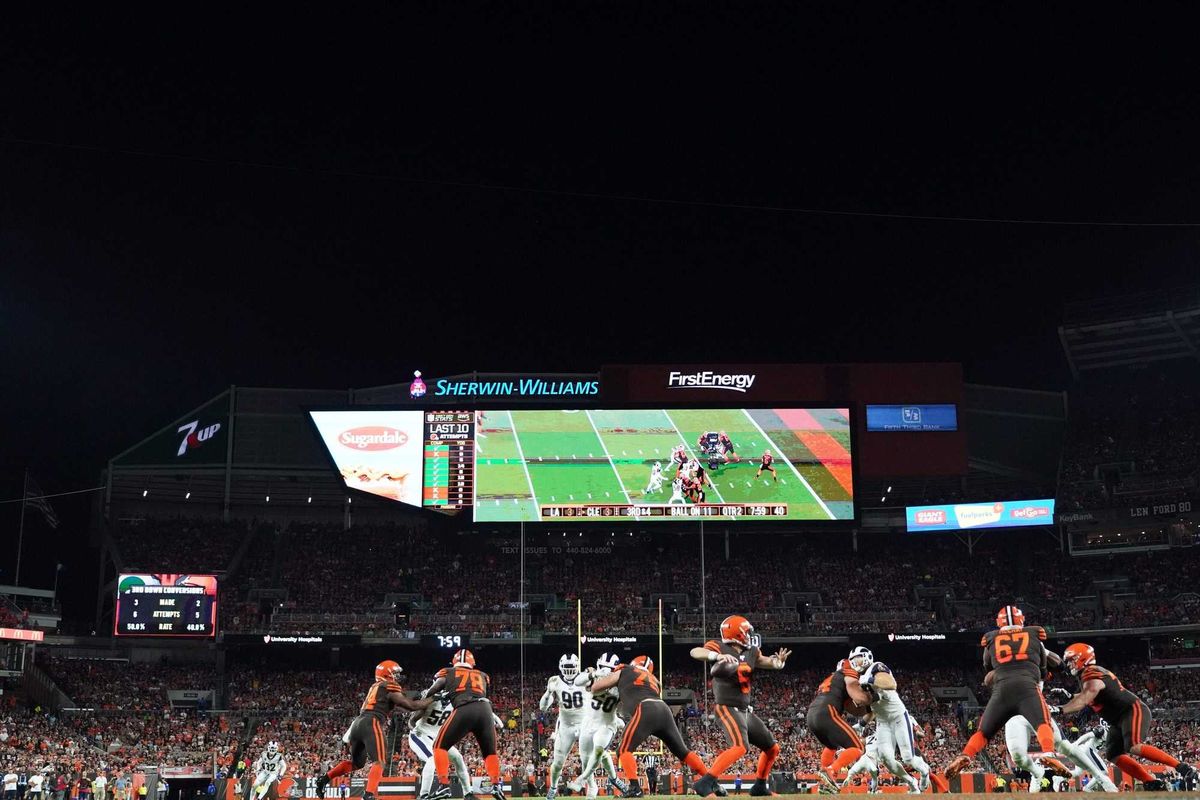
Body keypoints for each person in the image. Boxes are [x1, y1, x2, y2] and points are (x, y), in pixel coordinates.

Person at [1054, 642, 1197, 791]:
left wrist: (1059, 709)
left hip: (1131, 710)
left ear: (1082, 658)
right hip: (1117, 719)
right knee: (1113, 754)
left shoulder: (1092, 673)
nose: (1069, 664)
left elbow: (1084, 700)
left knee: (1133, 746)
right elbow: (1090, 695)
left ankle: (1183, 768)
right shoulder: (1088, 675)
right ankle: (1152, 782)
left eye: (1071, 660)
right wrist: (1070, 695)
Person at [946, 606, 1058, 778]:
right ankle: (1049, 753)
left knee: (983, 732)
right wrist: (1042, 672)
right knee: (1043, 723)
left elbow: (987, 668)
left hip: (1002, 688)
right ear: (1022, 619)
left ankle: (966, 754)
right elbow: (1044, 668)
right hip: (1027, 687)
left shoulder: (990, 638)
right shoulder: (1035, 634)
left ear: (999, 622)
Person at [576, 655, 710, 798]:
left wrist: (601, 680)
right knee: (683, 751)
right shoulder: (655, 680)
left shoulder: (625, 670)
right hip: (664, 710)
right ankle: (712, 780)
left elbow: (596, 688)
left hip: (646, 708)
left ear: (633, 663)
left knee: (623, 750)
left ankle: (635, 788)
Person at [688, 616, 789, 797]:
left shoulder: (751, 651)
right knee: (740, 747)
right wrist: (716, 656)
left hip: (745, 710)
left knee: (772, 748)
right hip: (727, 706)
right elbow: (695, 652)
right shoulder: (719, 646)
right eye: (747, 631)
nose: (750, 635)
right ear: (738, 633)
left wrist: (778, 662)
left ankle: (759, 786)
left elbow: (767, 662)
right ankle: (705, 783)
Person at [318, 660, 432, 800]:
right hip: (371, 722)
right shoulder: (389, 686)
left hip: (357, 723)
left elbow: (399, 704)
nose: (397, 676)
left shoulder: (376, 686)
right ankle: (369, 795)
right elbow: (411, 706)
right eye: (395, 673)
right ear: (387, 674)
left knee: (356, 763)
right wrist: (431, 700)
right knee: (380, 762)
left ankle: (324, 779)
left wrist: (418, 698)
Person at [422, 649, 507, 800]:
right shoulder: (482, 675)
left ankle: (443, 786)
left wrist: (433, 697)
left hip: (464, 708)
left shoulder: (447, 672)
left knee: (439, 747)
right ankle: (496, 786)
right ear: (472, 662)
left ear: (454, 662)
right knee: (490, 752)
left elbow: (433, 689)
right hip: (485, 710)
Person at [806, 646, 873, 790]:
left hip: (812, 714)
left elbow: (853, 709)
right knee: (857, 746)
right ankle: (831, 770)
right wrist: (872, 698)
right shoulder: (848, 671)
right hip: (827, 711)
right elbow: (858, 697)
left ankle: (824, 781)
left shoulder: (833, 680)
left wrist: (867, 709)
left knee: (831, 746)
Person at [567, 653, 628, 797]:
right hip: (589, 722)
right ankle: (607, 781)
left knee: (599, 751)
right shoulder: (593, 674)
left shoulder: (620, 684)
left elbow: (625, 705)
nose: (606, 671)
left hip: (607, 724)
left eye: (609, 669)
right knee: (588, 758)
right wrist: (593, 674)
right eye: (603, 668)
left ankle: (582, 780)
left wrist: (619, 716)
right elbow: (577, 681)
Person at [409, 687, 478, 800]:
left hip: (438, 738)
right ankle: (423, 795)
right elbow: (411, 721)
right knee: (432, 759)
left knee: (458, 758)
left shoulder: (455, 703)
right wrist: (413, 728)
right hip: (421, 735)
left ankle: (468, 793)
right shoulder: (431, 700)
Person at [540, 654, 590, 800]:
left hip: (584, 724)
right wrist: (549, 691)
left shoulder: (585, 677)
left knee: (590, 759)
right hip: (566, 726)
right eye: (566, 667)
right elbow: (543, 707)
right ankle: (553, 788)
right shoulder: (555, 680)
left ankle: (592, 789)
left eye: (571, 667)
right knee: (557, 763)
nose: (569, 670)